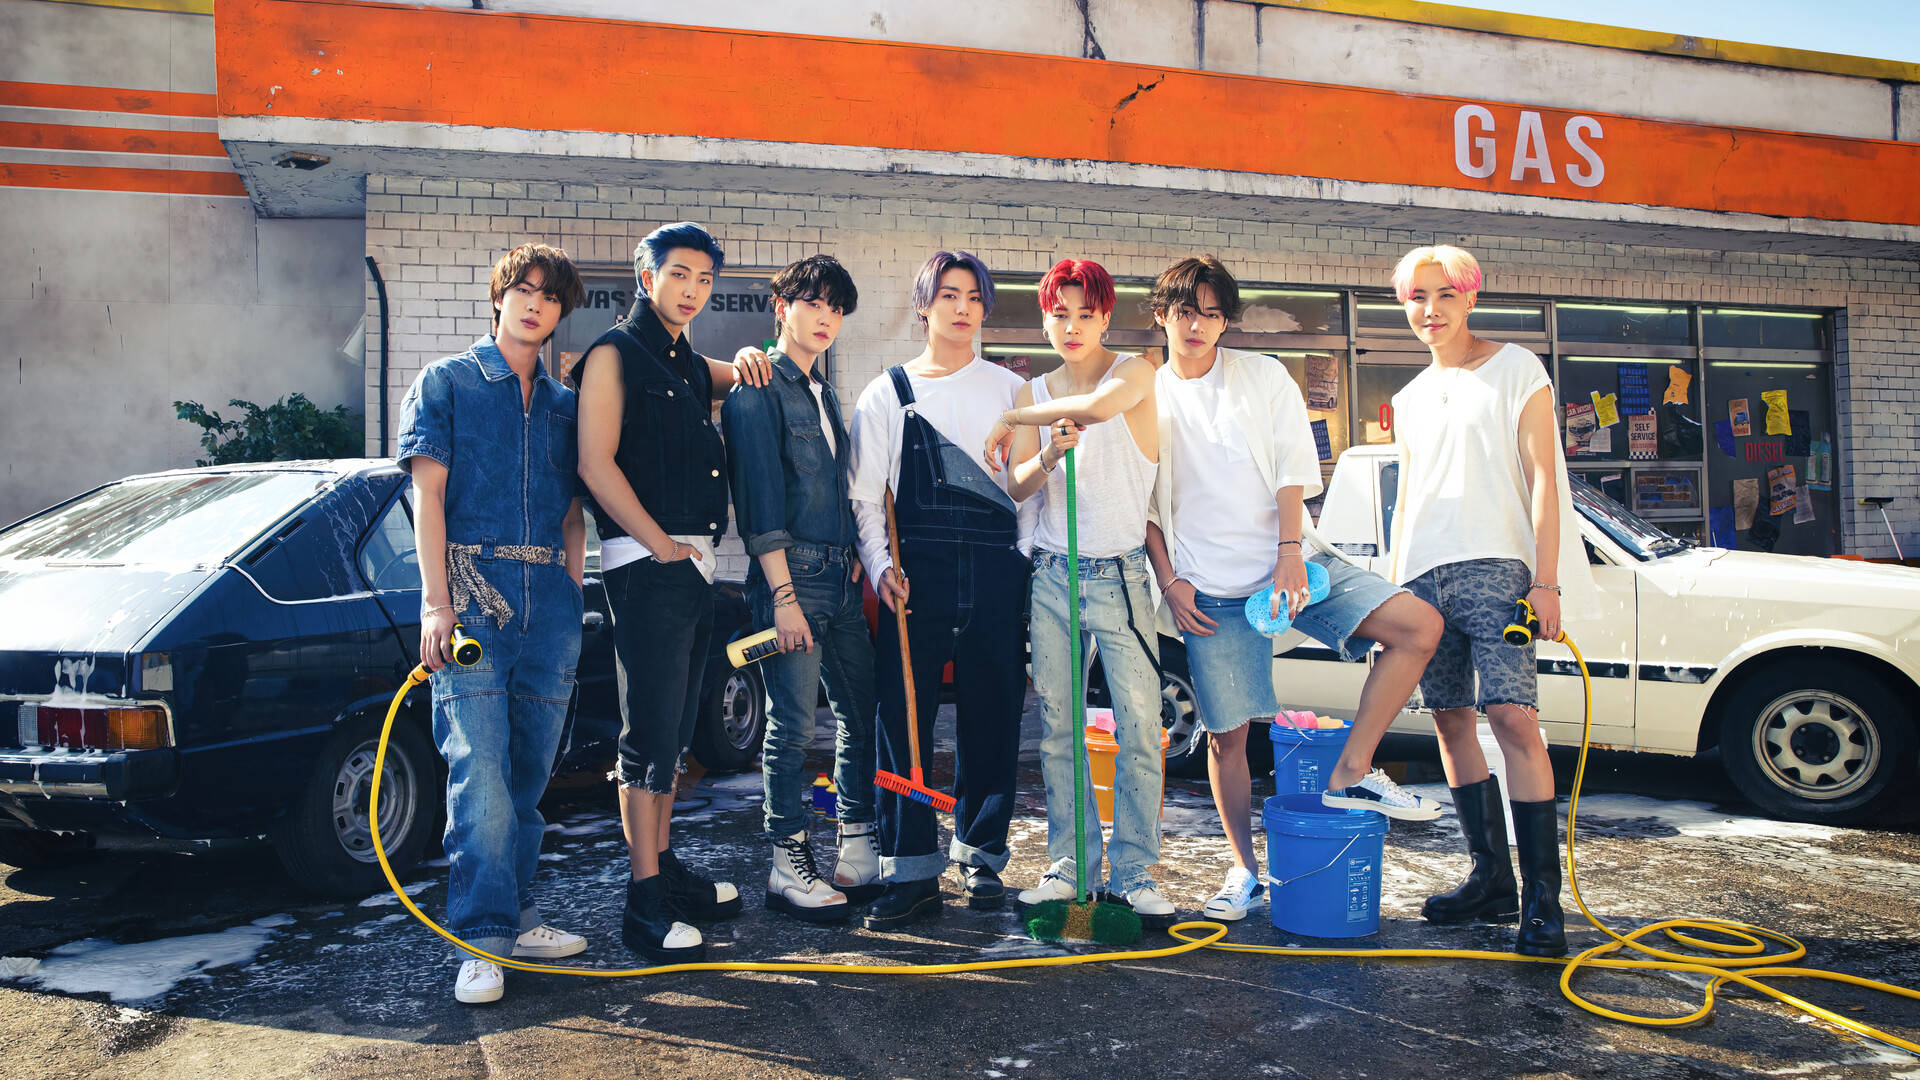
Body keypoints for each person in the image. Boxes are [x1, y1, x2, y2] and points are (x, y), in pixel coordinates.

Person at [1141, 255, 1444, 924]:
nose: (1197, 325)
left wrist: (1286, 554)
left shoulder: (1261, 377)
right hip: (1209, 591)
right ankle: (1245, 872)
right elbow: (1144, 507)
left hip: (1294, 563)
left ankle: (1351, 771)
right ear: (1162, 315)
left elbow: (1290, 471)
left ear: (1226, 322)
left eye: (1212, 313)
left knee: (1418, 627)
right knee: (1228, 737)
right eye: (1185, 311)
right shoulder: (1147, 396)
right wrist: (1169, 580)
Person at [1386, 244, 1597, 957]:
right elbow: (1408, 499)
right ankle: (1490, 880)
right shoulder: (1410, 398)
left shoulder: (1516, 368)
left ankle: (1544, 901)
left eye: (1444, 295)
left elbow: (1544, 477)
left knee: (1510, 714)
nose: (1430, 311)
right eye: (1416, 298)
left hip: (1498, 571)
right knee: (1448, 722)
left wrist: (1546, 579)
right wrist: (1394, 587)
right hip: (1424, 575)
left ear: (1470, 297)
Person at [396, 242, 590, 1004]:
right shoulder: (446, 382)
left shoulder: (567, 405)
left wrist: (572, 588)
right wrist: (436, 603)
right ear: (499, 296)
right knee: (480, 776)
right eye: (523, 289)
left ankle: (520, 914)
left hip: (551, 603)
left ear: (561, 312)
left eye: (549, 296)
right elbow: (429, 499)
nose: (535, 303)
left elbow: (575, 511)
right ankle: (480, 938)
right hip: (471, 594)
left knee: (530, 776)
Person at [574, 222, 768, 962]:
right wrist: (659, 543)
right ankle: (643, 900)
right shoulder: (613, 355)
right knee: (647, 737)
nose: (692, 290)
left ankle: (665, 869)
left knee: (677, 734)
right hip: (646, 561)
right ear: (645, 275)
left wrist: (752, 356)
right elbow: (595, 464)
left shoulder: (684, 361)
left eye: (705, 280)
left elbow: (731, 372)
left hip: (690, 565)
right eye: (679, 274)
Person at [981, 259, 1172, 925]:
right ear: (1044, 318)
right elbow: (1019, 487)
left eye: (1084, 313)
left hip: (1121, 577)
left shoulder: (1136, 373)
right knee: (1060, 730)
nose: (1070, 326)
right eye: (1058, 313)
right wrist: (1044, 452)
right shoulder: (1040, 387)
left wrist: (1012, 414)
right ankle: (1071, 863)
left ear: (1105, 317)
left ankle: (1137, 870)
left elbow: (1096, 410)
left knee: (1141, 726)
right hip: (1055, 576)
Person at [846, 250, 1033, 929]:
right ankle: (912, 872)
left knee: (994, 714)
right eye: (947, 295)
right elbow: (866, 500)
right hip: (913, 577)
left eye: (974, 296)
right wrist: (880, 564)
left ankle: (980, 855)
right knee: (902, 725)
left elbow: (1027, 489)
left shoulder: (1014, 393)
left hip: (995, 572)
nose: (961, 307)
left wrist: (1020, 559)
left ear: (985, 308)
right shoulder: (887, 392)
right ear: (923, 306)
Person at [721, 255, 880, 922]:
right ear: (781, 307)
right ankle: (787, 860)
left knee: (859, 708)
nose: (825, 318)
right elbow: (759, 504)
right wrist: (783, 597)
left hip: (840, 577)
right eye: (812, 303)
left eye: (836, 308)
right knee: (790, 727)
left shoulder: (824, 392)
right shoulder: (756, 389)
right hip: (794, 581)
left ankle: (857, 839)